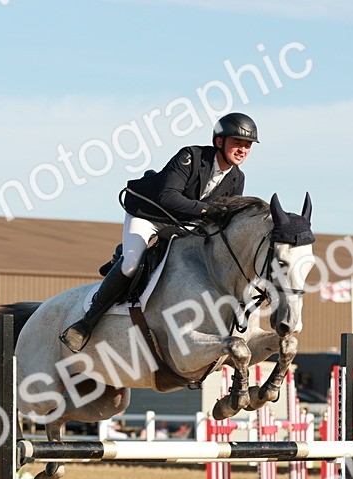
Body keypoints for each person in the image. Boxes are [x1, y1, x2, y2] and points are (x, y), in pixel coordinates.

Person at [60, 112, 259, 352]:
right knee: (131, 264)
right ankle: (86, 323)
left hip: (183, 223)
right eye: (237, 143)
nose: (242, 150)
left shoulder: (237, 178)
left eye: (247, 146)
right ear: (219, 141)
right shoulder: (191, 157)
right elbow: (168, 197)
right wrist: (206, 210)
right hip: (149, 214)